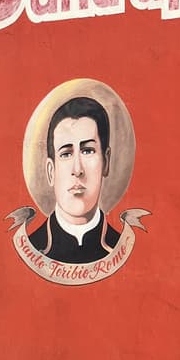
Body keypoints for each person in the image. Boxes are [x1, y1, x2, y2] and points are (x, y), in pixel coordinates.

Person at [27, 95, 122, 263]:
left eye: (87, 151)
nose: (77, 170)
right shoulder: (33, 247)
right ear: (51, 171)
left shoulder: (121, 247)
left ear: (106, 162)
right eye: (66, 154)